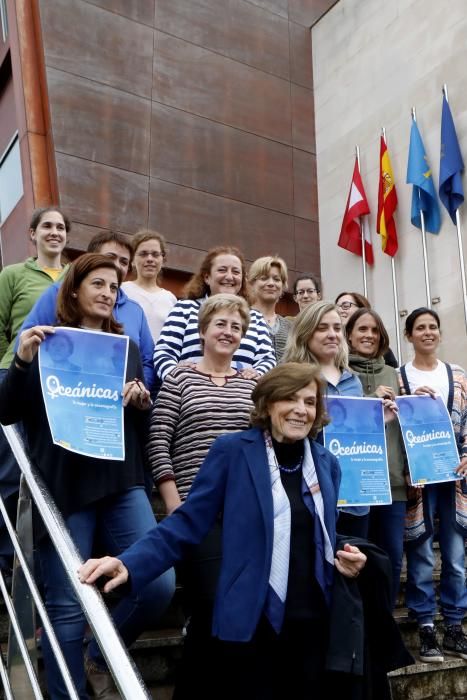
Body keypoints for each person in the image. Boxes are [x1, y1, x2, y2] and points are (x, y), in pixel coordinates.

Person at [79, 363, 369, 699]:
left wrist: (346, 553)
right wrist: (130, 563)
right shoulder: (232, 451)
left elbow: (318, 530)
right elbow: (188, 521)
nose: (301, 410)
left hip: (314, 624)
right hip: (252, 622)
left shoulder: (326, 463)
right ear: (268, 403)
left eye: (309, 402)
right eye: (290, 398)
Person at [0, 254, 175, 700]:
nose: (107, 292)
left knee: (157, 582)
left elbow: (131, 421)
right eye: (98, 283)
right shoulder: (45, 342)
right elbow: (6, 411)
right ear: (74, 290)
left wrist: (139, 403)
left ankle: (99, 652)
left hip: (120, 481)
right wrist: (21, 362)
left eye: (114, 287)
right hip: (62, 485)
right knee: (65, 607)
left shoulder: (127, 349)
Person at [150, 293, 256, 697]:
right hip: (196, 509)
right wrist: (175, 504)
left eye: (237, 327)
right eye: (221, 324)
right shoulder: (179, 376)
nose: (228, 333)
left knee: (239, 607)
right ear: (203, 330)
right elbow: (159, 440)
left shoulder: (252, 384)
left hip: (244, 510)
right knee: (210, 602)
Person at [0, 206, 70, 585]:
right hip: (18, 374)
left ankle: (41, 559)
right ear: (33, 234)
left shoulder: (78, 276)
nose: (54, 232)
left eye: (60, 227)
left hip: (61, 382)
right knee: (12, 471)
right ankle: (9, 557)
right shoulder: (13, 275)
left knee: (47, 471)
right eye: (47, 226)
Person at [398, 307, 467, 663]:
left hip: (454, 478)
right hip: (419, 481)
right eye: (420, 327)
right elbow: (393, 428)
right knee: (422, 555)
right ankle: (426, 625)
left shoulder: (458, 375)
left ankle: (455, 625)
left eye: (433, 327)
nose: (427, 332)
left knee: (455, 558)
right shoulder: (399, 377)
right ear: (409, 335)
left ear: (439, 333)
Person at [19, 231, 155, 390]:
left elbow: (147, 361)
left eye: (124, 262)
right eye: (110, 257)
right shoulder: (55, 298)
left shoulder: (135, 312)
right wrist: (21, 364)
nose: (117, 265)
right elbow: (28, 345)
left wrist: (138, 393)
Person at [282, 301, 369, 537]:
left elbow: (358, 434)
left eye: (337, 328)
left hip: (354, 496)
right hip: (309, 492)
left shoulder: (353, 380)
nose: (332, 334)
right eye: (322, 328)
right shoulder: (291, 376)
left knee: (353, 564)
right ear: (306, 332)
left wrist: (379, 420)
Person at [346, 308, 408, 608]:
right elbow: (340, 421)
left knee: (393, 557)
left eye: (374, 330)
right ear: (349, 335)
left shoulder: (392, 373)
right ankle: (361, 626)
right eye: (361, 329)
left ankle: (383, 622)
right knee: (358, 556)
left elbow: (403, 427)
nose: (368, 335)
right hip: (354, 485)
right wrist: (370, 402)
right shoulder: (342, 374)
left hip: (392, 482)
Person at [153, 246, 275, 381]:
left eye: (236, 272)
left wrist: (256, 375)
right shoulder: (184, 309)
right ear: (207, 277)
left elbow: (267, 359)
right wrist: (177, 377)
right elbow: (164, 353)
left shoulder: (256, 318)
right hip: (192, 393)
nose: (229, 277)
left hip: (242, 397)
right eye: (222, 270)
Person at [121, 230, 177, 343]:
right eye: (143, 254)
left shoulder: (170, 299)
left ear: (163, 260)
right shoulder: (121, 290)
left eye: (155, 254)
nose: (150, 259)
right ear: (132, 260)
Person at [335, 291, 398, 368]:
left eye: (345, 306)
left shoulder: (382, 350)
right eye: (337, 307)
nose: (340, 310)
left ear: (362, 309)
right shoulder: (333, 345)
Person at [248, 255, 291, 362]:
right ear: (252, 283)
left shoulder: (291, 327)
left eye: (277, 279)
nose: (271, 283)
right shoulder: (240, 319)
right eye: (264, 278)